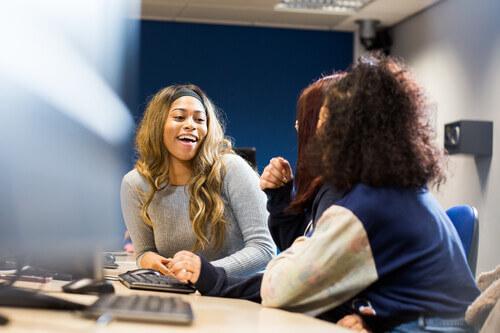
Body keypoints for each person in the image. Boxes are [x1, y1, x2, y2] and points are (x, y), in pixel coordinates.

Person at [168, 55, 480, 333]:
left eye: (324, 122)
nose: (316, 133)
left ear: (346, 132)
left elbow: (282, 287)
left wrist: (212, 278)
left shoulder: (363, 209)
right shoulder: (403, 192)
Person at [121, 84, 275, 280]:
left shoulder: (232, 168)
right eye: (179, 117)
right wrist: (148, 259)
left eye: (200, 119)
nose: (191, 125)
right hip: (180, 294)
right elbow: (144, 252)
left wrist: (204, 273)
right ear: (157, 125)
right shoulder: (135, 184)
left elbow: (264, 249)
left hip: (238, 295)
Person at [260, 74, 345, 252]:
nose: (298, 127)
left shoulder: (339, 192)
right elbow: (298, 250)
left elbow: (307, 272)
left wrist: (213, 276)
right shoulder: (329, 186)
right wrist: (281, 196)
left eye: (306, 121)